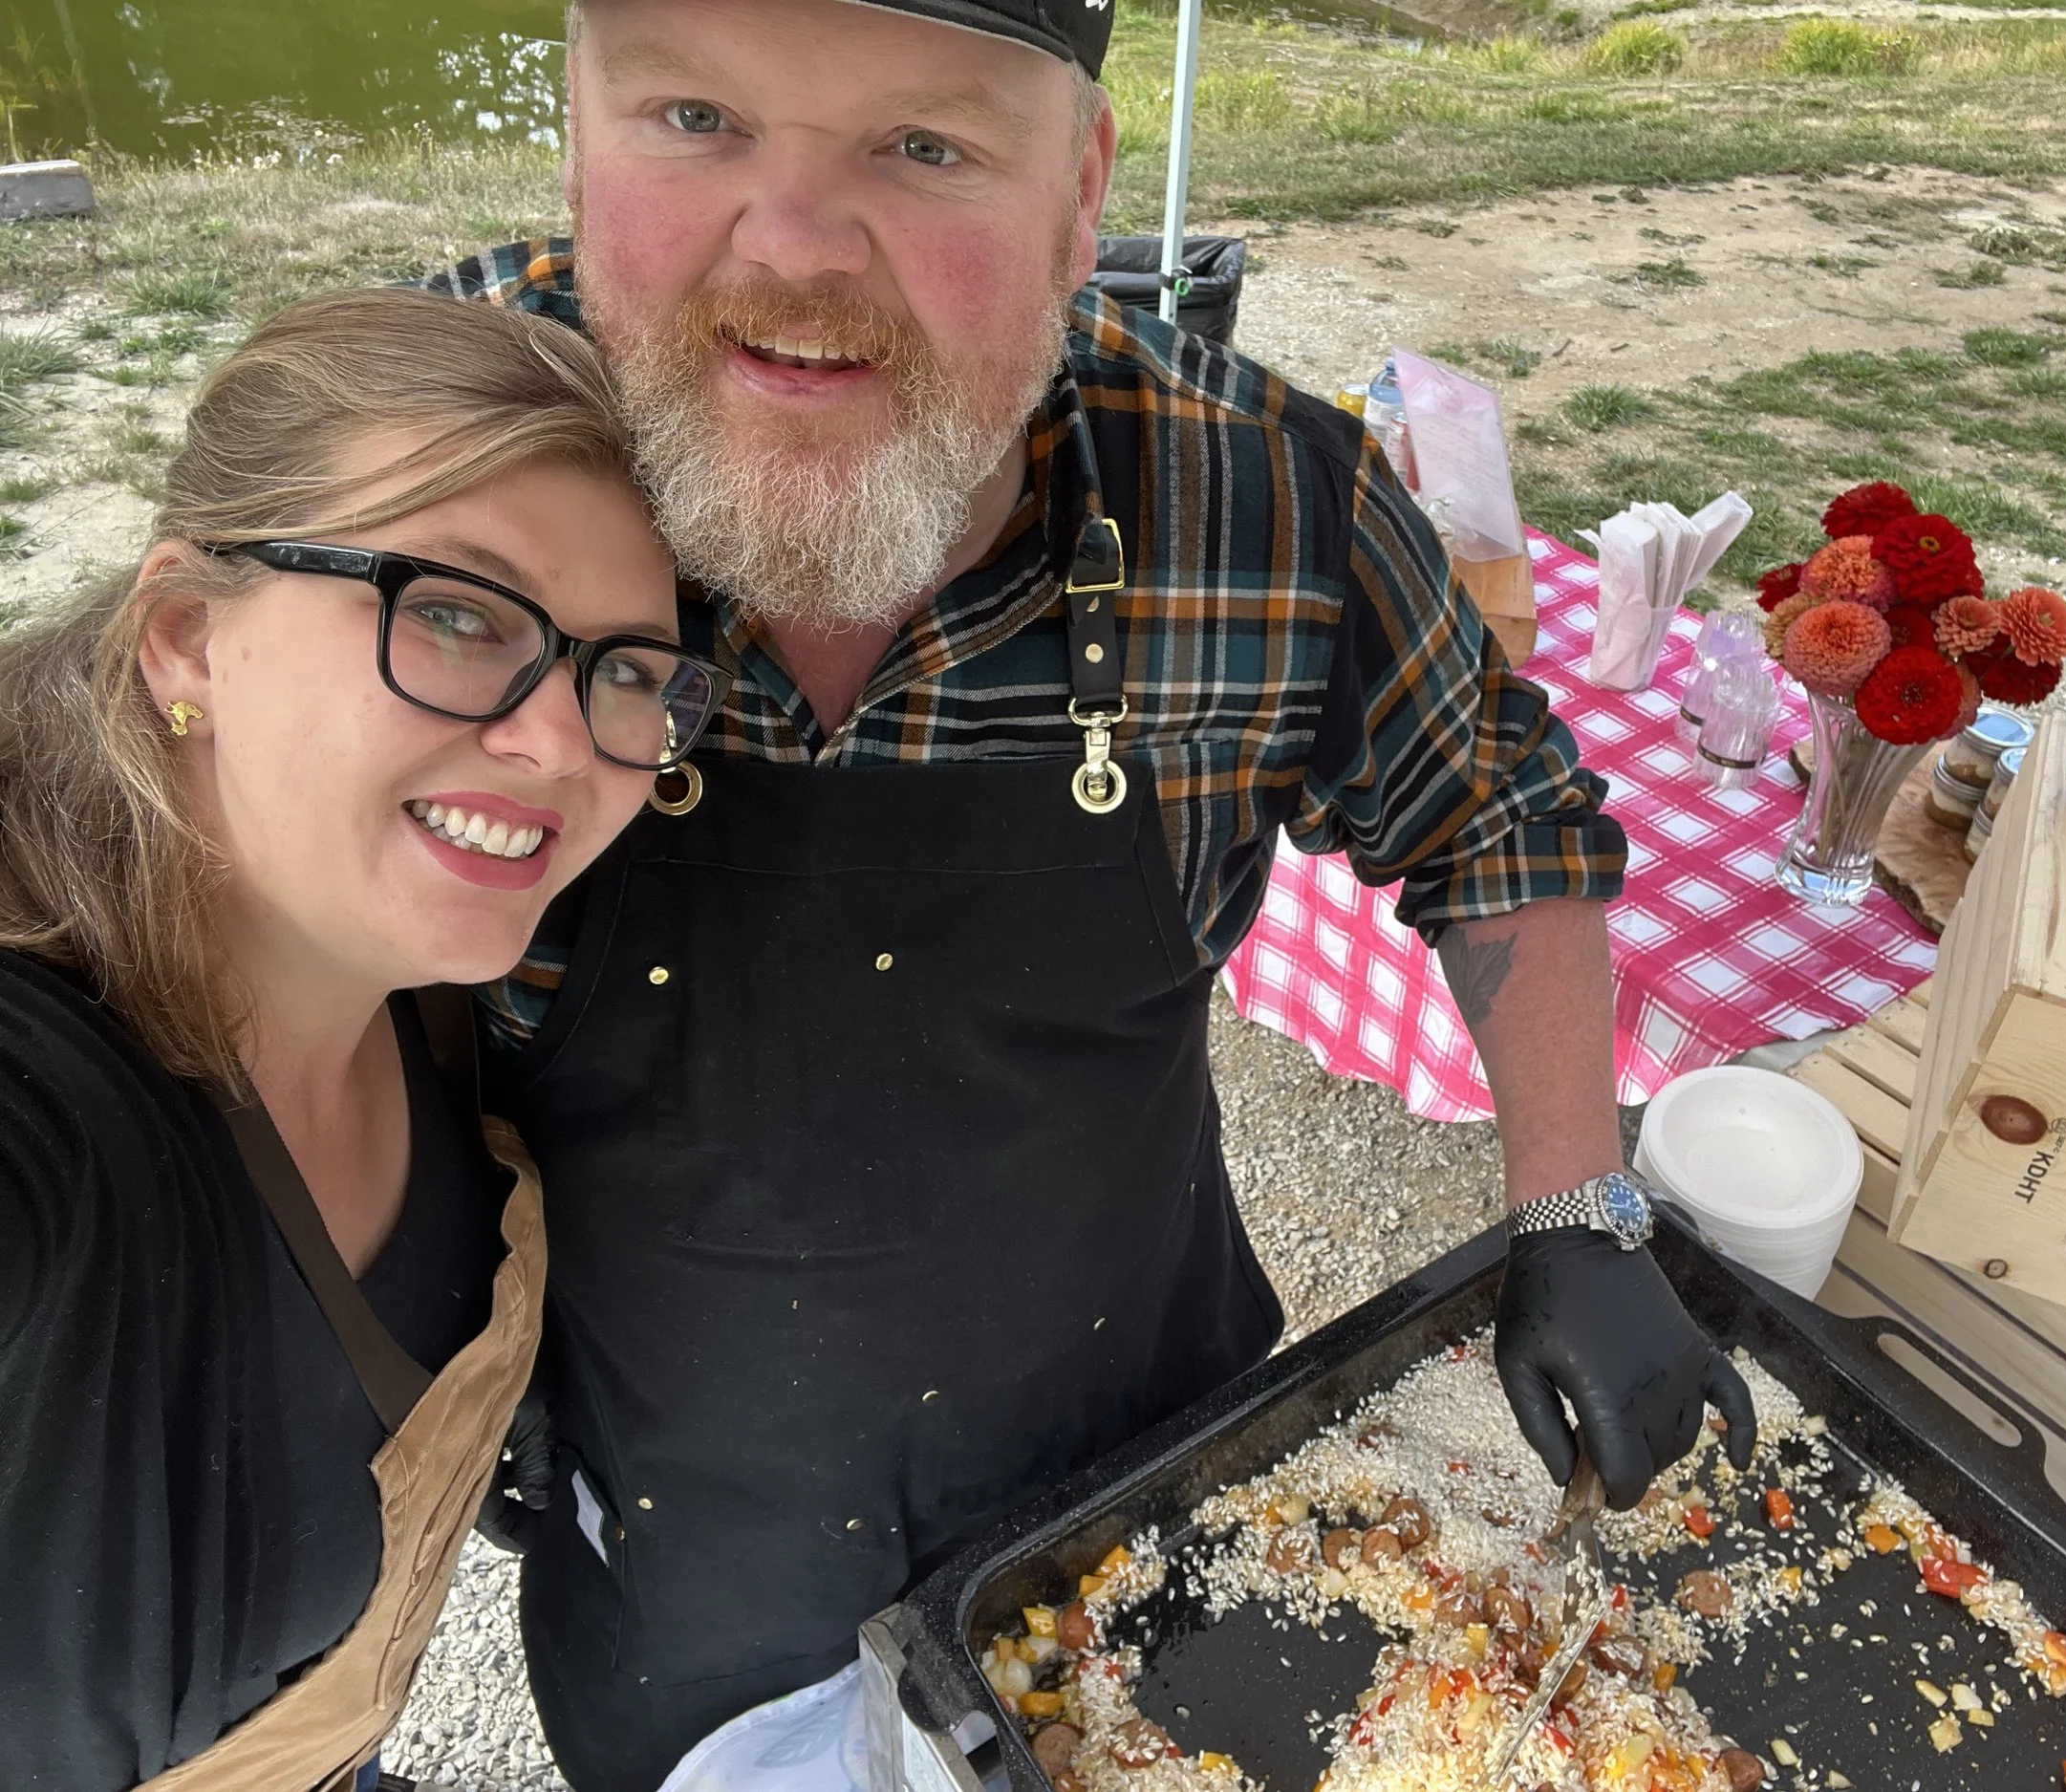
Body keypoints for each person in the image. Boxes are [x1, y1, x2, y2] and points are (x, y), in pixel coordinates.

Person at [430, 3, 1758, 1783]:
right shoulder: (425, 470)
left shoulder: (1262, 505)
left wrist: (1577, 1206)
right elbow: (207, 898)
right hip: (668, 1525)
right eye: (694, 115)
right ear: (577, 145)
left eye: (926, 147)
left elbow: (1493, 808)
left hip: (1149, 1478)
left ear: (1083, 197)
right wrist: (396, 1326)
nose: (797, 247)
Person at [0, 288, 726, 1791]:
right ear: (185, 637)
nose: (556, 744)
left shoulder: (436, 990)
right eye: (456, 614)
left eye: (627, 672)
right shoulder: (47, 1104)